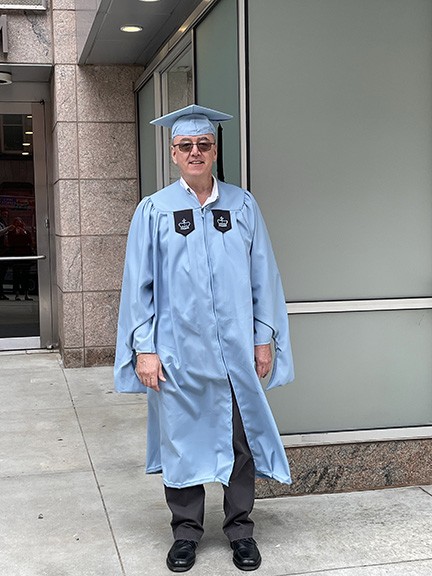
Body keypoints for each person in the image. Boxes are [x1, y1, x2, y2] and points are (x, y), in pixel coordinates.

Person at [114, 105, 294, 572]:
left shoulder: (241, 205)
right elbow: (139, 287)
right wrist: (144, 348)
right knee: (181, 442)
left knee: (240, 442)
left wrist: (263, 338)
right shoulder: (154, 210)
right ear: (173, 153)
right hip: (178, 354)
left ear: (214, 151)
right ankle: (186, 533)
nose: (195, 152)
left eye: (204, 145)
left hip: (234, 353)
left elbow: (264, 277)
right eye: (185, 146)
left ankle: (240, 530)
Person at [0, 207, 14, 300]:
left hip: (4, 250)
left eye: (6, 213)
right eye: (4, 212)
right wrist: (8, 228)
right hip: (1, 250)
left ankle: (1, 292)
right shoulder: (1, 223)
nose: (5, 214)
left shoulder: (3, 222)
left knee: (2, 273)